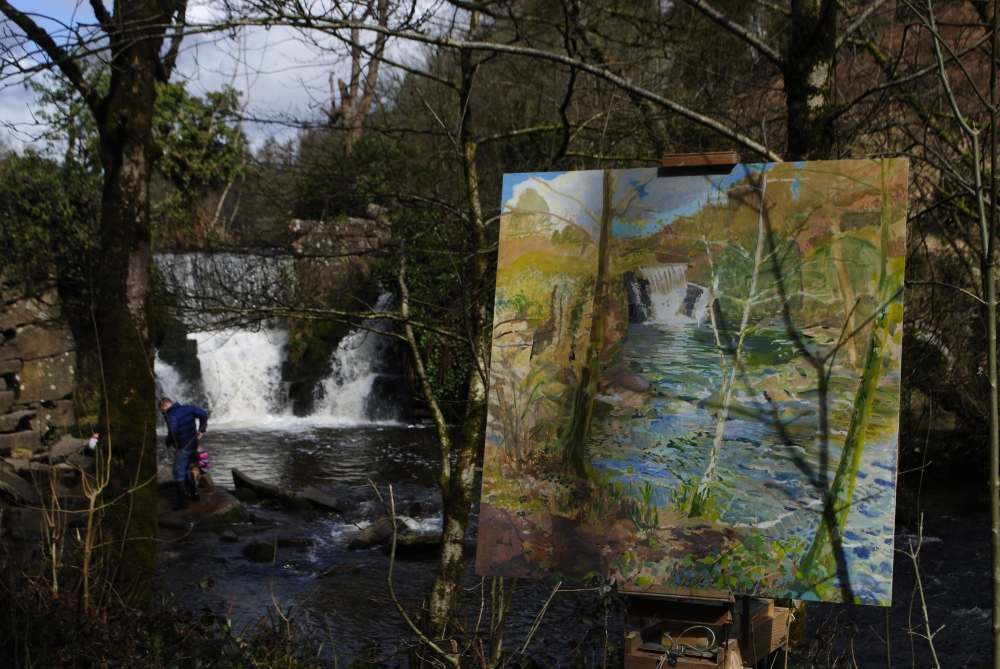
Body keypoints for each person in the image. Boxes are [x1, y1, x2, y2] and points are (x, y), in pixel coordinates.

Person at [160, 397, 209, 510]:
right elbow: (203, 414)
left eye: (163, 410)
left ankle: (184, 503)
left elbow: (173, 431)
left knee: (178, 474)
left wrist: (168, 442)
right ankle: (195, 495)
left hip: (183, 447)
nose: (163, 413)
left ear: (166, 406)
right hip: (193, 445)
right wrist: (201, 429)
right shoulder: (188, 408)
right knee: (187, 468)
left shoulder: (172, 415)